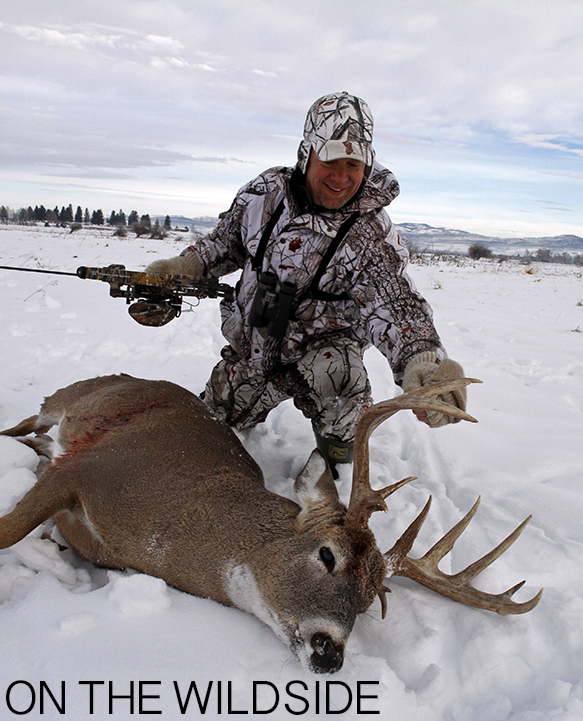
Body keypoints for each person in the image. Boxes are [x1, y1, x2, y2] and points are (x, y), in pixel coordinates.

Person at [146, 92, 467, 475]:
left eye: (354, 164)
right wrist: (184, 266)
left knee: (343, 382)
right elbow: (223, 243)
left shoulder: (370, 234)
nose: (341, 176)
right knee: (209, 425)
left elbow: (394, 303)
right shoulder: (263, 195)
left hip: (322, 363)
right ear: (307, 153)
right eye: (330, 160)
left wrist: (423, 362)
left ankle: (335, 464)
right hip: (254, 352)